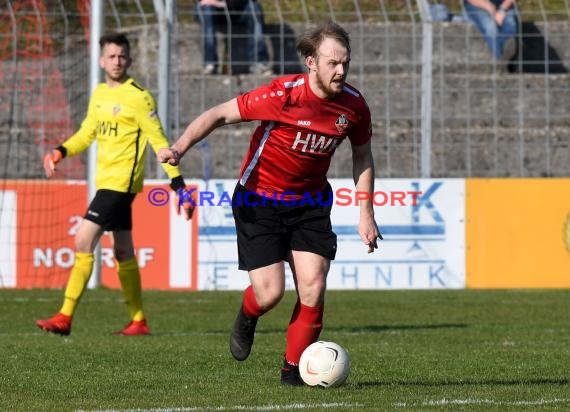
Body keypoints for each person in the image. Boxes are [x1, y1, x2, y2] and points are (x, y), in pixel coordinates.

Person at [158, 21, 382, 385]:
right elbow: (218, 114)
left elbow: (363, 156)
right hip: (258, 200)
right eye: (332, 63)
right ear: (311, 62)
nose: (340, 71)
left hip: (309, 203)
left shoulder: (354, 106)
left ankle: (293, 372)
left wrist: (365, 213)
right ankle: (248, 315)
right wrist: (179, 148)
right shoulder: (283, 95)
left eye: (346, 63)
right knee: (270, 293)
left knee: (313, 285)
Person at [36, 32, 193, 337]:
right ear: (101, 60)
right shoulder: (99, 94)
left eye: (122, 56)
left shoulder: (139, 97)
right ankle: (138, 320)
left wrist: (179, 186)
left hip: (120, 185)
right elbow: (86, 133)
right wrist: (60, 151)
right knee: (123, 251)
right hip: (105, 183)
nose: (117, 61)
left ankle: (65, 316)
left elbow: (158, 142)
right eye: (111, 56)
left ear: (129, 59)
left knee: (83, 241)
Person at [195, 0, 273, 75]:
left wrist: (224, 3)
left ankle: (259, 63)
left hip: (239, 10)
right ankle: (210, 64)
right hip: (212, 11)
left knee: (254, 8)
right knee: (207, 9)